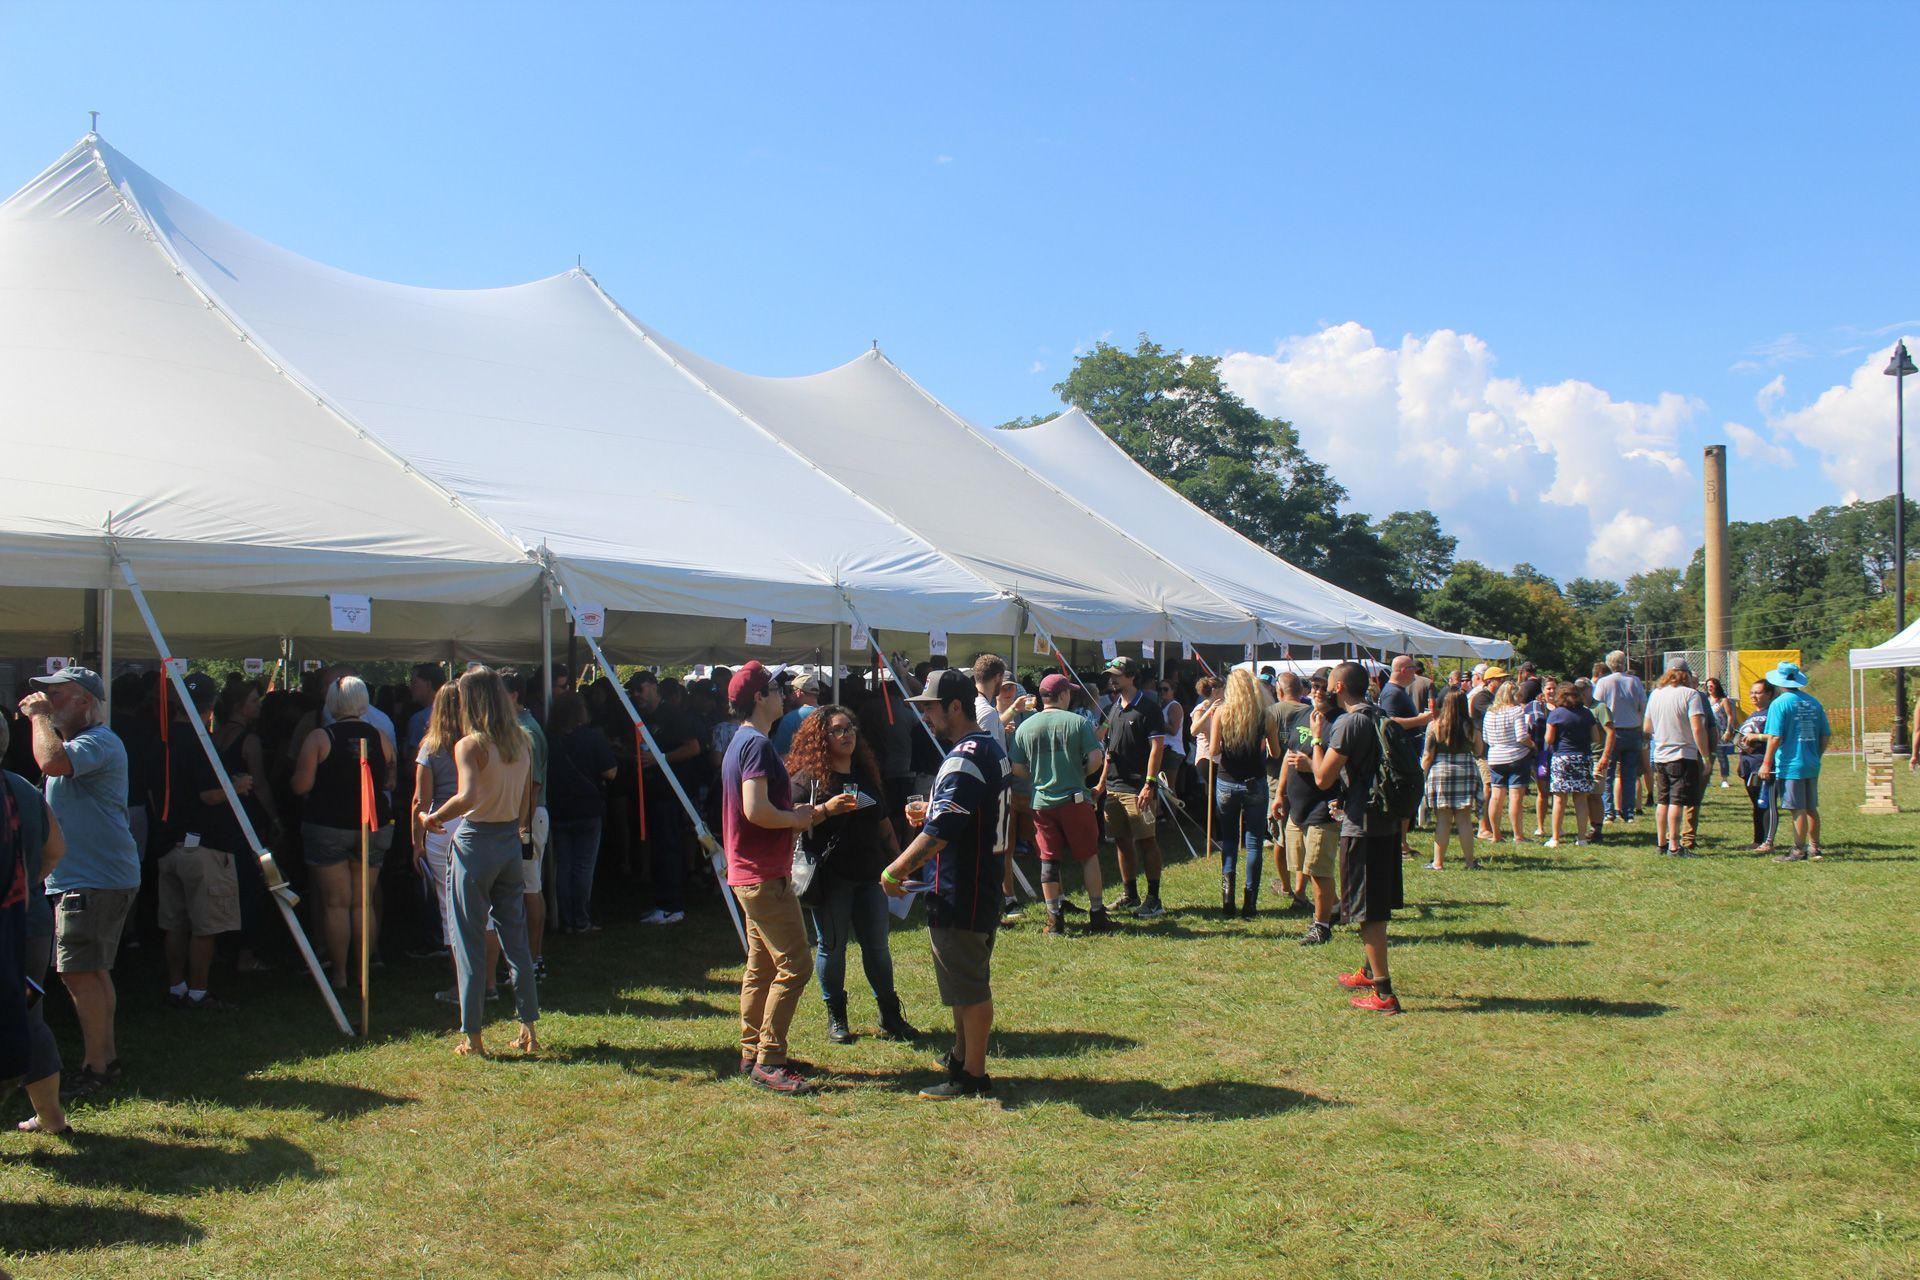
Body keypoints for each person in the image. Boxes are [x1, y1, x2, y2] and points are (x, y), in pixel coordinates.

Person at [722, 661, 852, 1096]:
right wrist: (797, 818)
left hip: (748, 872)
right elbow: (755, 810)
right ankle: (769, 1059)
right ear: (759, 697)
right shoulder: (756, 745)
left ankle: (751, 1049)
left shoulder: (742, 741)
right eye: (775, 689)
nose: (783, 694)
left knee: (760, 967)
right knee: (794, 964)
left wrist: (807, 815)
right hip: (763, 874)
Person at [881, 669, 1011, 1098]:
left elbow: (939, 835)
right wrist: (935, 811)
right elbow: (968, 815)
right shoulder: (989, 748)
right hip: (979, 882)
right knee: (962, 980)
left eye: (931, 707)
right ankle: (961, 1055)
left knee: (970, 986)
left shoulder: (965, 756)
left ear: (955, 706)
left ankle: (973, 1074)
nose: (926, 716)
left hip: (963, 886)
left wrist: (894, 870)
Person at [19, 666, 139, 1096]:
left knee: (79, 974)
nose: (47, 701)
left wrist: (36, 718)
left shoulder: (97, 743)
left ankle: (95, 1068)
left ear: (84, 701)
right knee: (93, 973)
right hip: (97, 877)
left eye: (57, 694)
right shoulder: (88, 742)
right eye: (44, 695)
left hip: (92, 879)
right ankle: (104, 1059)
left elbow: (51, 760)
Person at [424, 667, 540, 1058]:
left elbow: (469, 796)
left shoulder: (471, 745)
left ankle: (473, 1036)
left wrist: (433, 817)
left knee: (469, 938)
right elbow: (526, 798)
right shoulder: (521, 740)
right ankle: (529, 1028)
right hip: (509, 838)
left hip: (476, 843)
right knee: (516, 940)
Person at [787, 704, 917, 1043]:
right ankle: (837, 1020)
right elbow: (789, 825)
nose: (847, 735)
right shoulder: (808, 781)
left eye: (851, 728)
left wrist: (898, 860)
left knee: (877, 947)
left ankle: (890, 1016)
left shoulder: (865, 774)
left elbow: (883, 822)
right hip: (832, 879)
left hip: (870, 875)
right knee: (832, 947)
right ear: (820, 737)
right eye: (838, 730)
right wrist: (824, 810)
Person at [290, 675, 396, 989]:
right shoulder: (380, 736)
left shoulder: (320, 738)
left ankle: (339, 974)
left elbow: (301, 785)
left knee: (336, 903)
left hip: (329, 825)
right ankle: (364, 970)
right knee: (362, 902)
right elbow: (390, 777)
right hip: (372, 824)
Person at [1314, 662, 1404, 1015]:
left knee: (1369, 911)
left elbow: (1323, 778)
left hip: (1361, 825)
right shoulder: (1377, 713)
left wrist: (1318, 738)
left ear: (1337, 687)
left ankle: (1384, 993)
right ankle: (1369, 971)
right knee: (1375, 902)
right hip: (1385, 819)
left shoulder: (1350, 722)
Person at [157, 671, 244, 1012]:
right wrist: (237, 787)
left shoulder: (163, 738)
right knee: (204, 925)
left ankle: (176, 986)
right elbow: (208, 794)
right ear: (209, 708)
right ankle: (197, 991)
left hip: (169, 842)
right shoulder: (200, 742)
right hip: (203, 846)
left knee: (174, 923)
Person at [5, 712, 70, 1134]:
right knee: (28, 1017)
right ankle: (51, 1118)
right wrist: (28, 885)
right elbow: (55, 850)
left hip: (15, 926)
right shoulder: (23, 789)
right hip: (29, 922)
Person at [1008, 673, 1109, 936]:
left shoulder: (1025, 727)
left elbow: (1016, 767)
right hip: (1075, 799)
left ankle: (1054, 921)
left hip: (1041, 802)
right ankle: (1097, 915)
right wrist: (1078, 773)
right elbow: (1096, 758)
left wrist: (1040, 776)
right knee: (1088, 856)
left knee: (1048, 860)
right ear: (1063, 695)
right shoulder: (1077, 722)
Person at [210, 680, 276, 973]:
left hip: (221, 819)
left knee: (225, 886)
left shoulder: (216, 736)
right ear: (239, 706)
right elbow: (259, 784)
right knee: (250, 887)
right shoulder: (248, 740)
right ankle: (245, 954)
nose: (259, 706)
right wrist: (275, 818)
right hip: (246, 819)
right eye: (253, 701)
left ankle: (222, 948)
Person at [1094, 656, 1166, 918]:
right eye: (1110, 674)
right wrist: (1102, 784)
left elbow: (1157, 748)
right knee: (1121, 841)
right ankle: (1130, 894)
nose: (1111, 679)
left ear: (1131, 677)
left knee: (1147, 841)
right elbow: (1108, 749)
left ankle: (1154, 899)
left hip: (1138, 788)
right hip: (1114, 786)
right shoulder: (1115, 708)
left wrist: (1150, 783)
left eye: (1117, 675)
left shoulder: (1149, 708)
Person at [630, 670, 699, 927]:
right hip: (654, 792)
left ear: (654, 687)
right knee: (659, 849)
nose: (637, 694)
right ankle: (662, 903)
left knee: (669, 848)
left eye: (640, 688)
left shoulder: (671, 714)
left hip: (671, 793)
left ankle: (673, 906)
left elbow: (693, 747)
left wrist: (661, 759)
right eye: (633, 690)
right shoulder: (646, 717)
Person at [546, 691, 616, 934]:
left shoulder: (549, 739)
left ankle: (566, 919)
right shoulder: (592, 737)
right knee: (583, 867)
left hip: (558, 809)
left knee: (563, 866)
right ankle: (581, 920)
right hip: (587, 809)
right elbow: (611, 772)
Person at [1211, 670, 1279, 917]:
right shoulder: (1265, 715)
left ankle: (1227, 900)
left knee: (1229, 840)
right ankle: (1250, 903)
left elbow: (1213, 750)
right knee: (1254, 842)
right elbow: (1276, 751)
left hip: (1227, 780)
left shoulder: (1222, 712)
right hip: (1255, 781)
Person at [499, 671, 549, 974]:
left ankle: (533, 959)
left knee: (530, 888)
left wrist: (523, 828)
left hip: (529, 816)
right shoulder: (518, 727)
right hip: (524, 816)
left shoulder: (526, 731)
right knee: (524, 888)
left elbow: (533, 786)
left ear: (514, 695)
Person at [1759, 662, 1831, 862]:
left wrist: (1766, 763)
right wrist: (1816, 754)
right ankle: (1814, 848)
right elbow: (1825, 734)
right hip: (1811, 762)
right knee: (1810, 807)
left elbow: (1774, 737)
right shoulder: (1814, 702)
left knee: (1796, 807)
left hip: (1790, 763)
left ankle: (1798, 850)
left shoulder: (1780, 703)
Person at [1644, 659, 1711, 858]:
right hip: (1683, 754)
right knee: (1677, 801)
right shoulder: (1691, 695)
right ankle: (1675, 845)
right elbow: (1697, 728)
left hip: (1660, 755)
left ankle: (1661, 843)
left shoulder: (1655, 695)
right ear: (1687, 674)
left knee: (1662, 800)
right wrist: (1706, 756)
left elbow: (1647, 728)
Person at [1379, 656, 1435, 856]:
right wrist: (1420, 720)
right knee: (1403, 795)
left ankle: (1402, 842)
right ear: (1403, 670)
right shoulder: (1392, 693)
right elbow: (1390, 722)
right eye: (1413, 668)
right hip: (1399, 755)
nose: (1416, 673)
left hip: (1406, 751)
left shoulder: (1396, 691)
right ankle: (1400, 844)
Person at [1420, 690, 1481, 870]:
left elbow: (1427, 756)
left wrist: (1421, 777)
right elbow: (1479, 750)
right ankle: (1470, 862)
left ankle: (1438, 863)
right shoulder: (1471, 727)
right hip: (1466, 771)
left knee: (1443, 820)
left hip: (1441, 771)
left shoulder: (1435, 726)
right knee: (1464, 819)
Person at [1593, 650, 1649, 824]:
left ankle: (1609, 811)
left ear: (1609, 664)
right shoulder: (1635, 681)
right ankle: (1629, 812)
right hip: (1632, 731)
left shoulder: (1604, 682)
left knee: (1607, 774)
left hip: (1611, 731)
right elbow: (1643, 705)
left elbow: (1597, 706)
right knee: (1630, 774)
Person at [1541, 683, 1598, 848]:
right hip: (1583, 757)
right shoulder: (1586, 713)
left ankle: (1555, 838)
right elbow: (1596, 738)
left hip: (1562, 757)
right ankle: (1581, 838)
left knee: (1559, 799)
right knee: (1580, 799)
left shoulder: (1556, 714)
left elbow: (1549, 739)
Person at [1481, 681, 1532, 847]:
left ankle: (1496, 834)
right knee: (1515, 797)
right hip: (1516, 756)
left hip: (1495, 757)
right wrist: (1533, 745)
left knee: (1496, 796)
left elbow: (1486, 738)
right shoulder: (1516, 711)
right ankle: (1518, 835)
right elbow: (1521, 736)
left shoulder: (1489, 713)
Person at [1736, 681, 1776, 852]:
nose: (1753, 696)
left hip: (1761, 764)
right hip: (1748, 764)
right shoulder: (1752, 714)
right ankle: (1757, 839)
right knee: (1756, 804)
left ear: (1769, 694)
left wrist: (1756, 737)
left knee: (1765, 803)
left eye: (1758, 693)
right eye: (1752, 692)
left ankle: (1767, 841)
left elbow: (1775, 736)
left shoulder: (1772, 713)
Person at [1705, 677, 1737, 788]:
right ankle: (1707, 779)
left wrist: (1728, 730)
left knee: (1722, 756)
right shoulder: (1706, 700)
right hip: (1709, 731)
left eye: (1712, 686)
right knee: (1708, 756)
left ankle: (1724, 779)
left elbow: (1730, 716)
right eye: (1708, 686)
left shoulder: (1723, 700)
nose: (1709, 688)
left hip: (1721, 731)